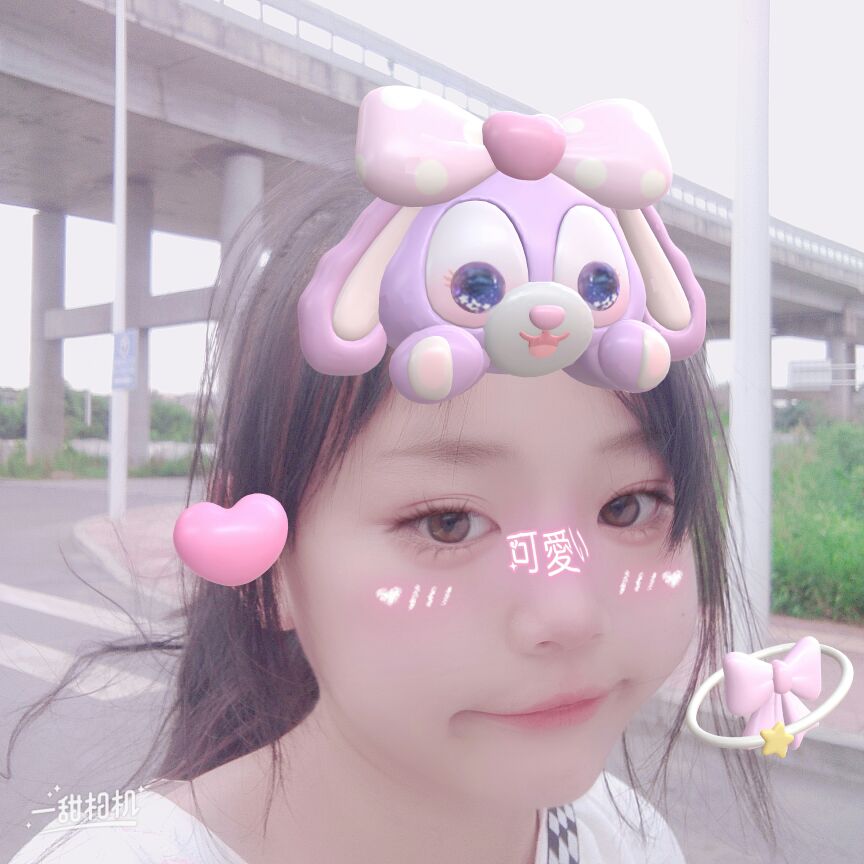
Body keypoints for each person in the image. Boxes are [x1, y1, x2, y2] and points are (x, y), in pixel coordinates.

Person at [6, 88, 781, 864]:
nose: (569, 612)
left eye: (629, 505)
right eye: (449, 522)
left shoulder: (631, 837)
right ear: (269, 567)